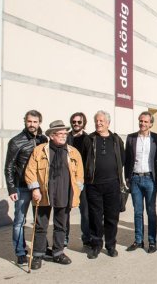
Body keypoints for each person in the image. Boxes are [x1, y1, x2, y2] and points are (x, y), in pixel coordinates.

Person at [25, 120, 84, 270]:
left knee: (61, 226)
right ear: (51, 135)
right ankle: (38, 255)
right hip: (44, 194)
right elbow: (30, 171)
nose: (64, 136)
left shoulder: (73, 152)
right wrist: (35, 189)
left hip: (65, 193)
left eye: (65, 133)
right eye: (60, 133)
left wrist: (77, 191)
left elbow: (79, 175)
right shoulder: (40, 151)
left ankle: (58, 253)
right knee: (40, 226)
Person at [4, 110, 48, 265]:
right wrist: (11, 189)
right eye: (29, 121)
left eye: (35, 122)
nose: (32, 124)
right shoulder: (16, 141)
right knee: (19, 221)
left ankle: (42, 247)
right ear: (25, 121)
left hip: (40, 187)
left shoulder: (44, 139)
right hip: (22, 188)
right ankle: (20, 252)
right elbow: (8, 167)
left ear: (39, 123)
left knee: (40, 220)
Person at [82, 110, 125, 259]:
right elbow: (83, 160)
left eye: (101, 121)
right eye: (96, 121)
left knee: (112, 217)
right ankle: (96, 245)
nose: (98, 123)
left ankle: (111, 245)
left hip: (113, 185)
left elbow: (122, 159)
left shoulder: (116, 140)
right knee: (95, 217)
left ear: (108, 123)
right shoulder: (89, 139)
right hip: (93, 185)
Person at [125, 111, 157, 253]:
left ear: (151, 124)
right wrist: (127, 177)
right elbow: (127, 160)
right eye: (141, 121)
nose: (142, 124)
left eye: (146, 122)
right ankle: (138, 241)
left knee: (151, 212)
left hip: (150, 179)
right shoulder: (131, 138)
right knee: (137, 212)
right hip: (135, 179)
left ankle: (152, 242)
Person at [65, 112, 90, 248]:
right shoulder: (65, 137)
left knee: (85, 211)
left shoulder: (88, 138)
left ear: (83, 123)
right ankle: (64, 238)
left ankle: (86, 237)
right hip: (66, 180)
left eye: (79, 122)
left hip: (83, 181)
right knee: (65, 211)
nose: (76, 124)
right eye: (74, 122)